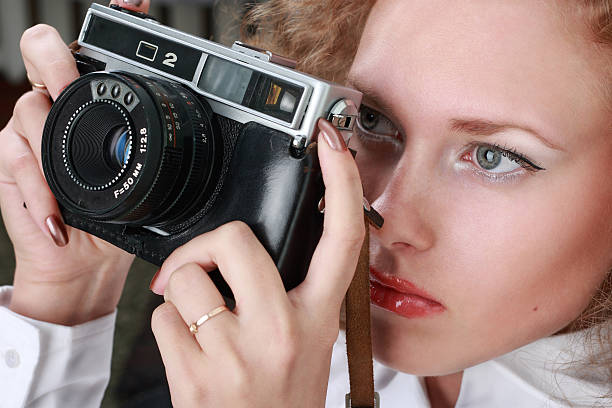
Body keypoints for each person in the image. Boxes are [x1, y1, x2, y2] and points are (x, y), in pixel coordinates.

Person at [1, 0, 611, 406]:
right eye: (370, 119)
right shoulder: (266, 338)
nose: (383, 214)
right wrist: (63, 302)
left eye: (494, 157)